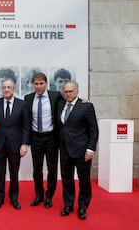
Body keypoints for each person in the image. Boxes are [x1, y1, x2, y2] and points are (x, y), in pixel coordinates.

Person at [57, 81, 98, 220]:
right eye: (66, 91)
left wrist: (91, 148)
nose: (68, 94)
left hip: (82, 150)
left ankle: (82, 206)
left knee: (84, 180)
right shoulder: (60, 105)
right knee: (66, 179)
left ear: (77, 91)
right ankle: (68, 205)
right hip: (64, 150)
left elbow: (94, 129)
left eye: (71, 91)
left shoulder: (86, 106)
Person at [24, 72, 63, 208]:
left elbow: (70, 101)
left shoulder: (55, 96)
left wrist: (83, 100)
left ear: (46, 83)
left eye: (41, 84)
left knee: (52, 169)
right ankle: (39, 195)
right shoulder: (28, 98)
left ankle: (49, 196)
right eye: (36, 84)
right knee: (37, 169)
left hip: (51, 137)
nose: (39, 86)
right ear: (33, 84)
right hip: (36, 138)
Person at [0, 78, 30, 210]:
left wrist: (24, 144)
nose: (6, 90)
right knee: (0, 173)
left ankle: (14, 198)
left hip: (16, 144)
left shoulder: (22, 104)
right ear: (1, 89)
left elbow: (26, 126)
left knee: (14, 173)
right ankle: (0, 198)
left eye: (9, 87)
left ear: (13, 89)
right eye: (4, 87)